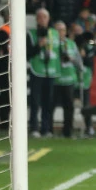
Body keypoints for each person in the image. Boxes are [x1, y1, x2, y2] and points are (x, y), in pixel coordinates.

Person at [26, 7, 60, 138]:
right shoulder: (31, 34)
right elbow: (27, 54)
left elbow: (58, 51)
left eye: (44, 17)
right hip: (37, 71)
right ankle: (34, 128)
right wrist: (38, 46)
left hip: (51, 72)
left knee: (48, 102)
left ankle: (47, 128)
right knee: (35, 101)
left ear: (49, 19)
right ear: (36, 19)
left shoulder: (55, 33)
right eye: (39, 17)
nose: (42, 19)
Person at [52, 21, 82, 139]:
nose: (61, 32)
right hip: (55, 79)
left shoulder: (71, 44)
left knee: (69, 107)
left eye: (63, 30)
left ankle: (67, 131)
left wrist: (72, 59)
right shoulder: (52, 44)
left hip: (69, 79)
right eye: (58, 30)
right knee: (51, 106)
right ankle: (48, 130)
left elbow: (79, 62)